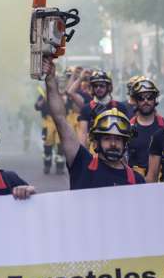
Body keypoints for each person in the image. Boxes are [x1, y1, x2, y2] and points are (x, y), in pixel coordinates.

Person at [42, 58, 144, 189]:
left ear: (126, 142)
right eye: (107, 138)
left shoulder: (137, 181)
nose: (113, 144)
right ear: (95, 142)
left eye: (118, 139)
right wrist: (50, 80)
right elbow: (60, 119)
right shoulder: (82, 163)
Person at [76, 71, 132, 145]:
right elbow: (82, 135)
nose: (98, 88)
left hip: (115, 147)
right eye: (95, 86)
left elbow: (127, 132)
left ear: (108, 87)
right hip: (93, 151)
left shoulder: (120, 107)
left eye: (102, 86)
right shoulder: (86, 109)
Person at [126, 77, 164, 176]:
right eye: (141, 98)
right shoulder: (127, 128)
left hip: (161, 183)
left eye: (150, 97)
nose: (146, 101)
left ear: (155, 99)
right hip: (135, 183)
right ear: (135, 101)